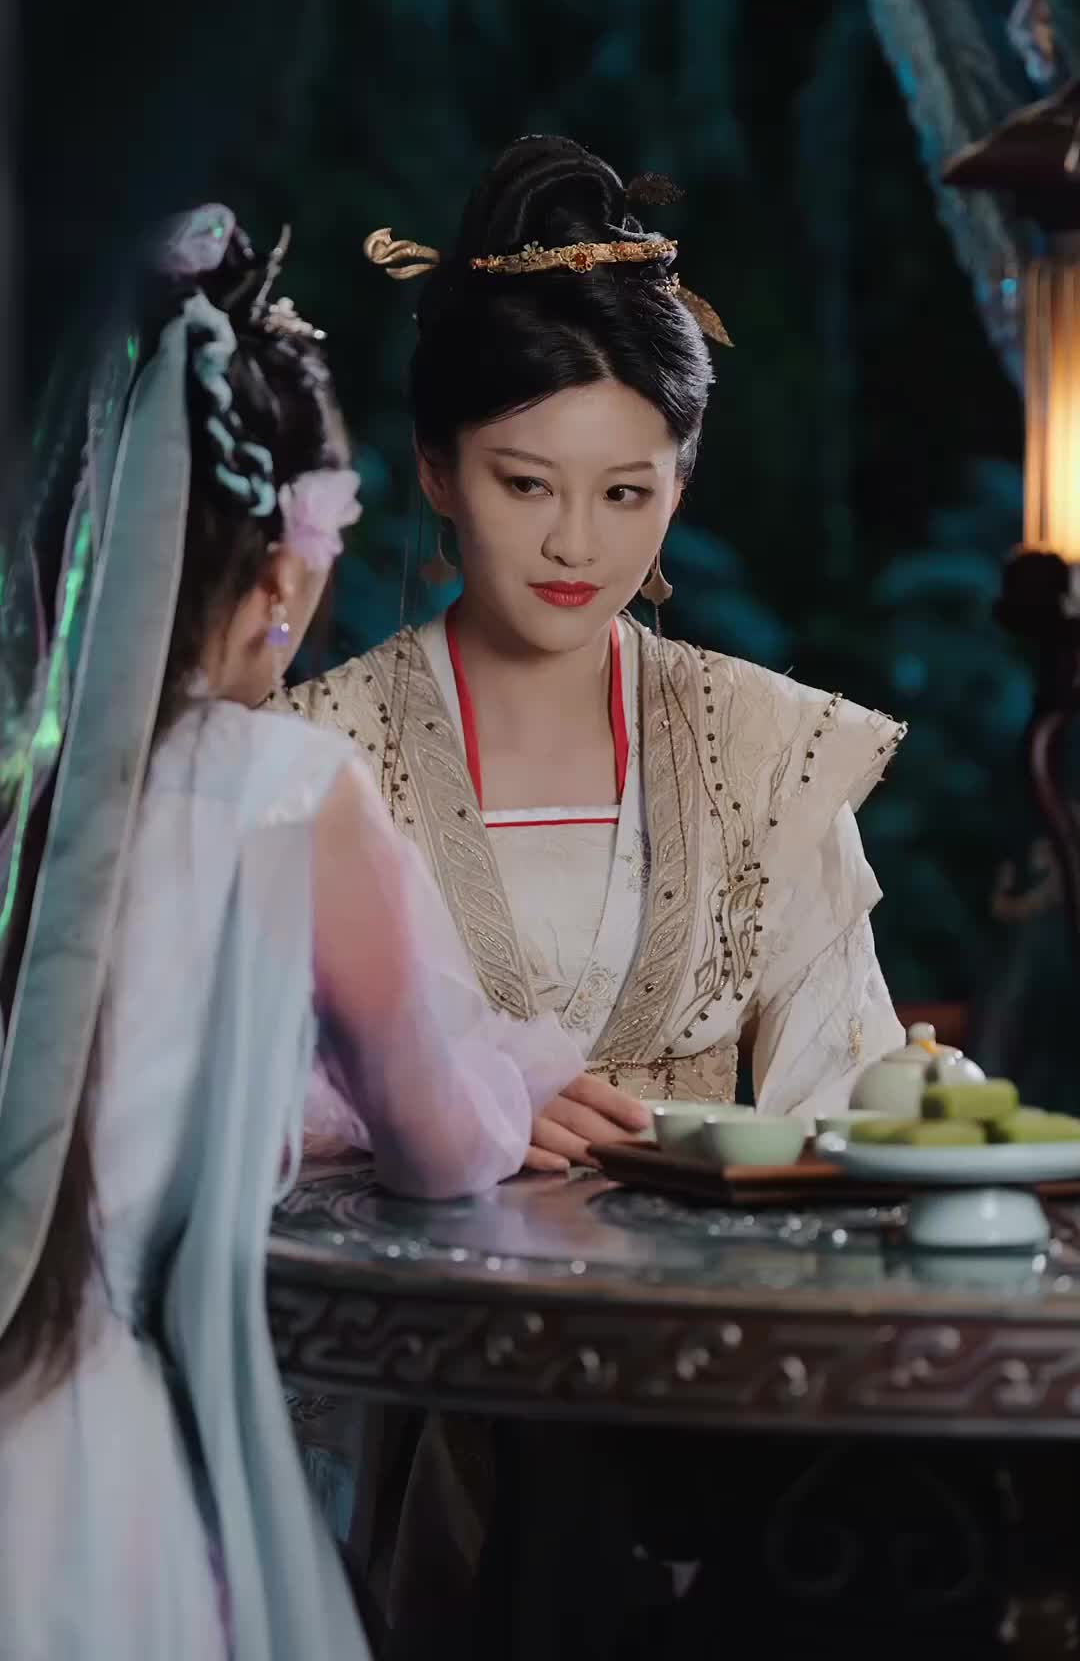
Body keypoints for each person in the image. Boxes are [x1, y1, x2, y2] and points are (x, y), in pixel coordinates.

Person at [0, 206, 617, 1661]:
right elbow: (440, 1145)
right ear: (280, 575)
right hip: (66, 1442)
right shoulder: (277, 788)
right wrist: (509, 1090)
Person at [282, 135, 907, 1139]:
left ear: (678, 487)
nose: (574, 544)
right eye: (526, 484)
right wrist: (443, 1104)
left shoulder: (769, 754)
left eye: (623, 494)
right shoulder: (310, 755)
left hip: (715, 1249)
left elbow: (853, 1101)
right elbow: (207, 1098)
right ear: (437, 470)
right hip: (394, 1248)